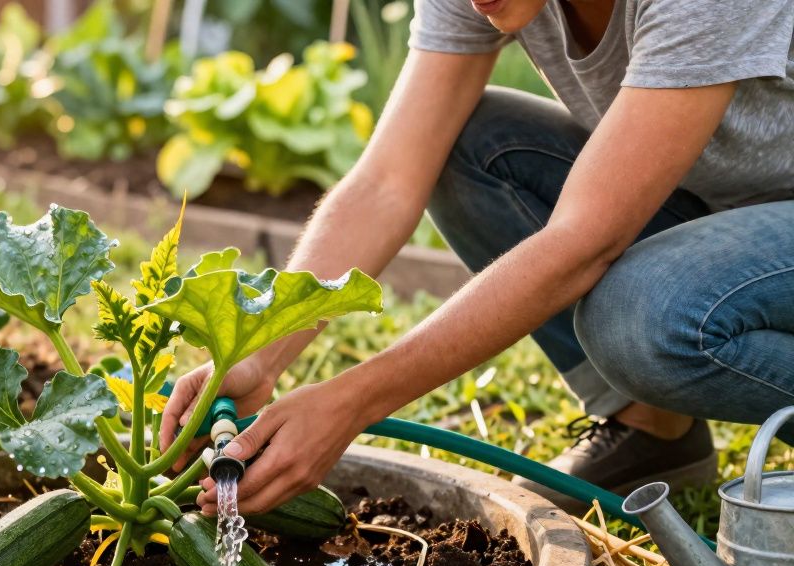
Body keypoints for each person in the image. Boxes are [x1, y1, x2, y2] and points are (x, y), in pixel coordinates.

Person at [160, 0, 794, 516]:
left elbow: (583, 241)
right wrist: (260, 348)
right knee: (464, 145)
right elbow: (387, 180)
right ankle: (653, 431)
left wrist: (353, 401)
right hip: (727, 214)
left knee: (642, 312)